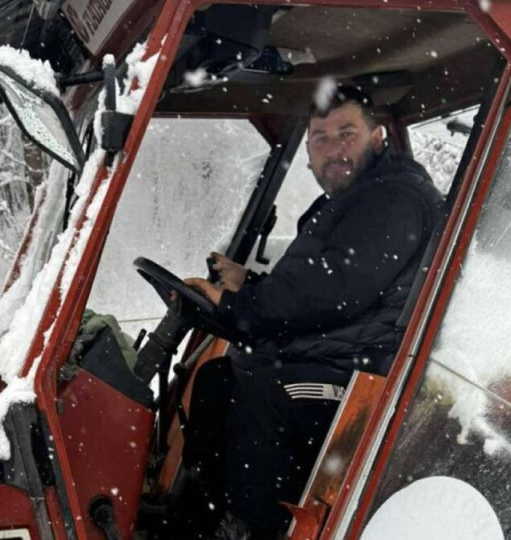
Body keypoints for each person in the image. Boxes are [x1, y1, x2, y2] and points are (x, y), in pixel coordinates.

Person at [179, 85, 443, 540]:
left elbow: (335, 289)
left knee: (265, 395)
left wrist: (239, 305)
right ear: (307, 153)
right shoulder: (354, 199)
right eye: (320, 138)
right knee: (217, 380)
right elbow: (318, 286)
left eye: (347, 134)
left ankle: (255, 529)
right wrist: (248, 286)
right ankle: (199, 515)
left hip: (372, 375)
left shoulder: (393, 198)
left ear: (377, 137)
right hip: (335, 355)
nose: (334, 149)